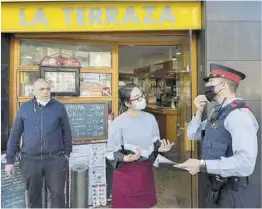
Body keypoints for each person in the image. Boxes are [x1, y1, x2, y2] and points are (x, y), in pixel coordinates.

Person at [174, 63, 259, 208]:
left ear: (223, 84)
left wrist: (202, 165)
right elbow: (193, 134)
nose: (207, 85)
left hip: (231, 191)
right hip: (215, 187)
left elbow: (246, 164)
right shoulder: (218, 112)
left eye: (211, 81)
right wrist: (199, 111)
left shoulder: (239, 115)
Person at [5, 78, 72, 208]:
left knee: (58, 195)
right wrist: (9, 160)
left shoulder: (59, 107)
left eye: (48, 88)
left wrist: (67, 154)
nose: (46, 91)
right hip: (31, 160)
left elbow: (67, 132)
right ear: (34, 91)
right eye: (42, 89)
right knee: (33, 196)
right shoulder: (25, 108)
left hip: (55, 160)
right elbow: (15, 135)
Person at [105, 83, 174, 208]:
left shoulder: (151, 119)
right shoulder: (118, 123)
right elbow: (111, 151)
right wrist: (126, 158)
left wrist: (161, 148)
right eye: (137, 97)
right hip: (126, 174)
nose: (142, 99)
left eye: (141, 95)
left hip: (145, 172)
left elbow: (155, 143)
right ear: (127, 103)